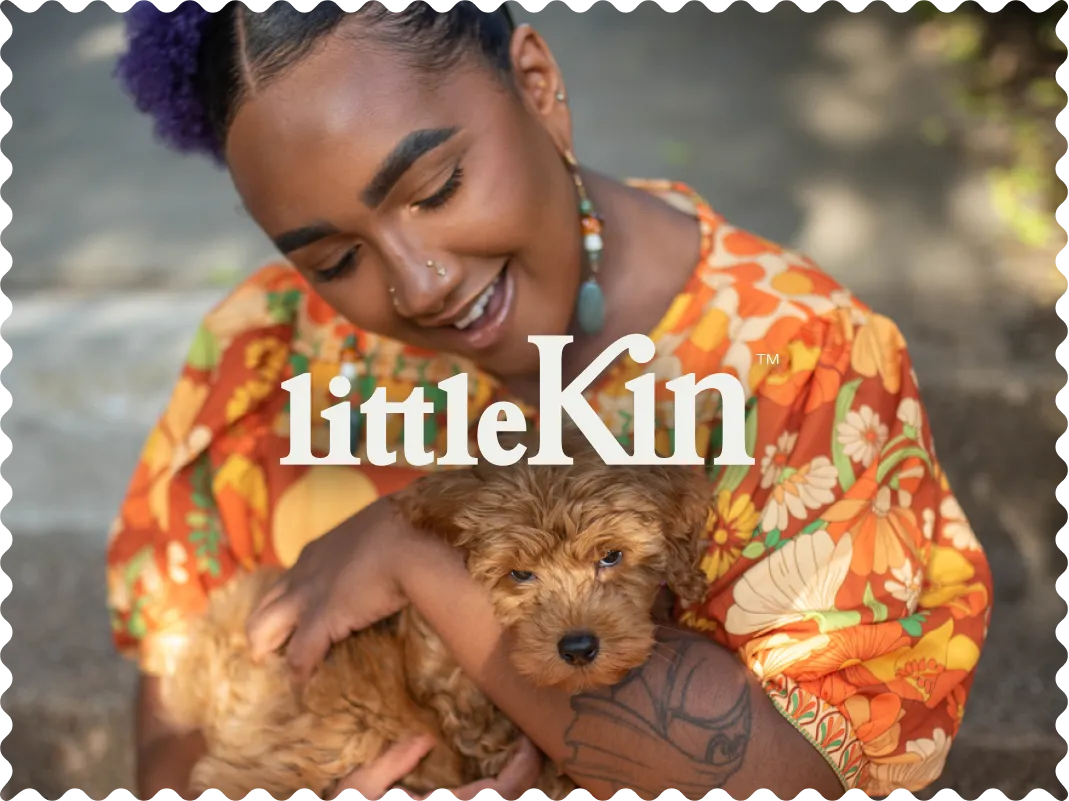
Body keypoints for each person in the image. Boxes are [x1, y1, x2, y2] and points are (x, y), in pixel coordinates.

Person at [107, 1, 993, 798]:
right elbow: (172, 724)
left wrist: (411, 548)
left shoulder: (800, 364)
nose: (420, 285)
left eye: (436, 187)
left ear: (536, 86)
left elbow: (802, 779)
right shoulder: (274, 348)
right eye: (335, 259)